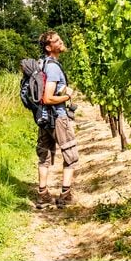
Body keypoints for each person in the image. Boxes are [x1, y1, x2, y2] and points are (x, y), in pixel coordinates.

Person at [35, 30, 79, 209]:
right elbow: (47, 98)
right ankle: (65, 195)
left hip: (43, 118)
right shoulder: (52, 67)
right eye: (56, 41)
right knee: (71, 156)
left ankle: (42, 195)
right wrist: (67, 97)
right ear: (48, 47)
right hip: (57, 118)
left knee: (44, 156)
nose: (60, 42)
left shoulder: (42, 64)